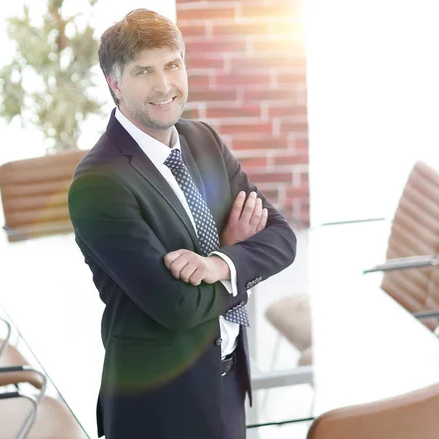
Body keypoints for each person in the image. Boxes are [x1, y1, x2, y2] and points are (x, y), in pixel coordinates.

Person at [68, 8, 297, 439]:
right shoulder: (99, 183)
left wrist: (220, 261)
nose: (164, 85)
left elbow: (282, 238)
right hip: (162, 407)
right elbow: (175, 306)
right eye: (143, 72)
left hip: (228, 383)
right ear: (114, 83)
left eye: (172, 65)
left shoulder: (202, 140)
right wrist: (238, 258)